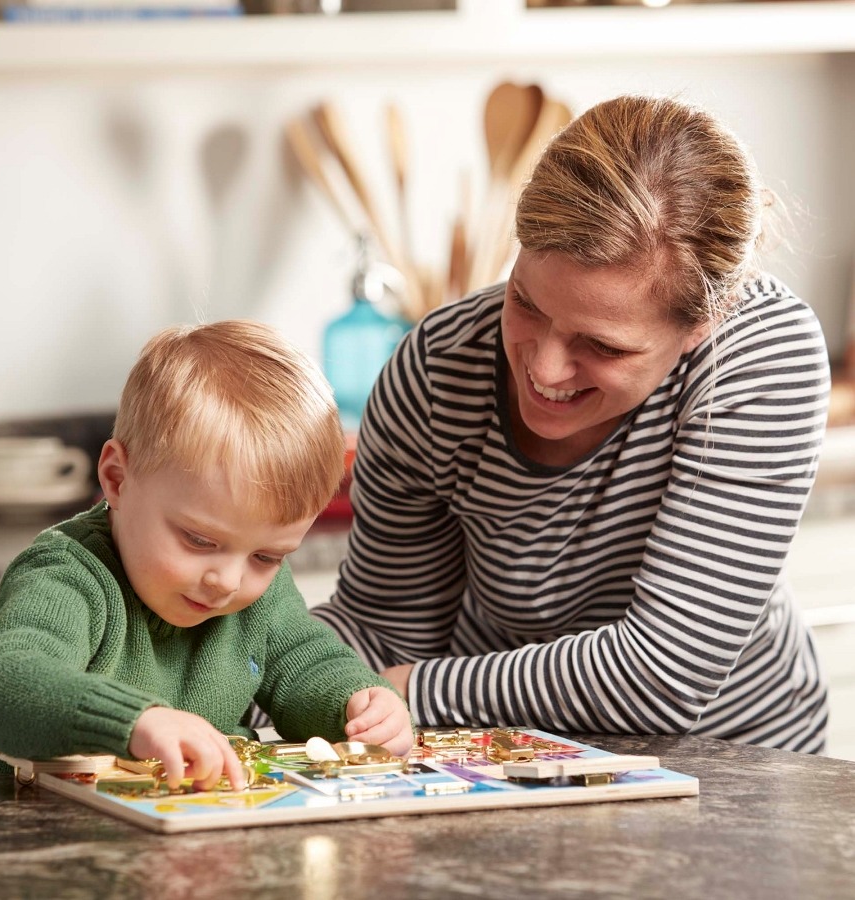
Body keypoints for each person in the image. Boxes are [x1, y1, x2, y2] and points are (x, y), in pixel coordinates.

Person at [311, 94, 831, 753]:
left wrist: (420, 691)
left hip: (735, 754)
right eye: (525, 303)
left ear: (703, 323)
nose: (546, 369)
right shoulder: (437, 373)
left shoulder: (760, 351)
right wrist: (246, 660)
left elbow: (663, 673)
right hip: (505, 749)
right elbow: (387, 633)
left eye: (604, 346)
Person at [0, 320, 413, 790]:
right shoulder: (66, 575)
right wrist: (137, 722)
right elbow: (4, 683)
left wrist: (359, 703)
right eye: (200, 541)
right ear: (117, 478)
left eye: (266, 557)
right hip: (57, 847)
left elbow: (307, 663)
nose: (228, 581)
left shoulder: (254, 594)